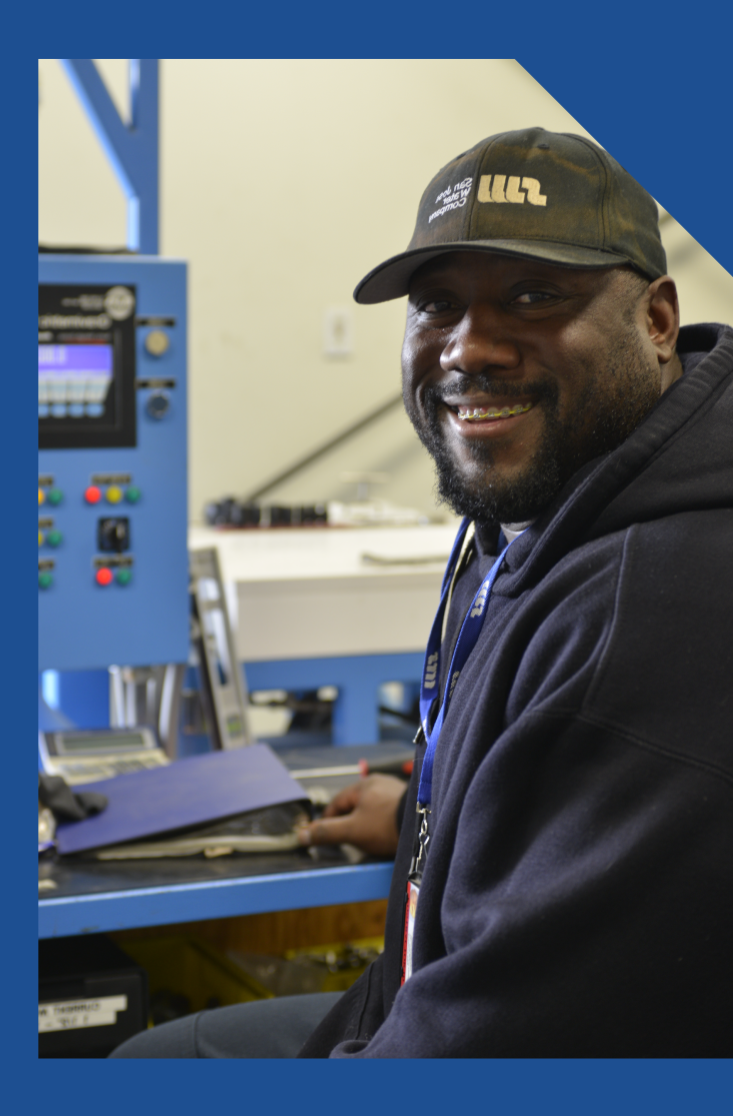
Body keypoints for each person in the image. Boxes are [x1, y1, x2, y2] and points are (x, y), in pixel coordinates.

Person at [114, 128, 733, 1058]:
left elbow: (506, 1036)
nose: (468, 348)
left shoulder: (661, 606)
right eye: (436, 305)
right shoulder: (555, 503)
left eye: (534, 296)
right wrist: (420, 817)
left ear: (655, 318)